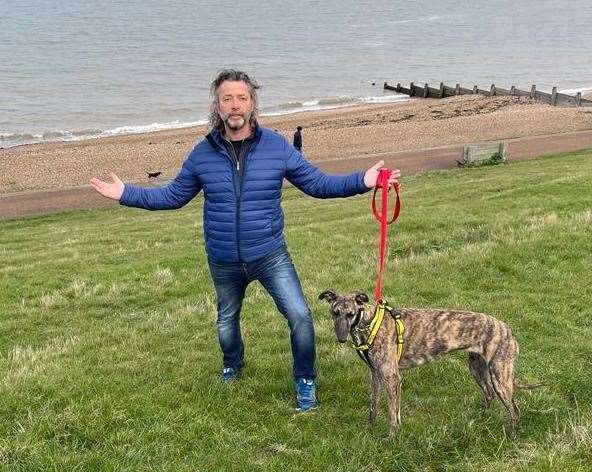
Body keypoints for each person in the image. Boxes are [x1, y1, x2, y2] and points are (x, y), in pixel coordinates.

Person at [90, 69, 400, 411]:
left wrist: (363, 180)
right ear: (217, 106)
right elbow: (173, 196)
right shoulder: (202, 153)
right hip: (223, 257)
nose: (234, 106)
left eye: (241, 98)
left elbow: (318, 184)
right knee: (226, 320)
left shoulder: (276, 148)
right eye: (227, 99)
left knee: (299, 315)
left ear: (252, 104)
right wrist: (125, 193)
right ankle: (232, 364)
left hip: (269, 254)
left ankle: (305, 380)